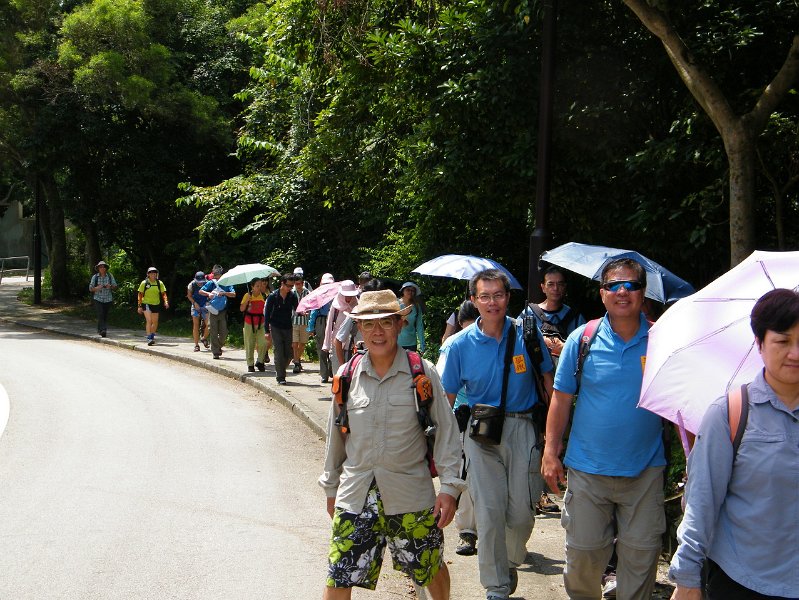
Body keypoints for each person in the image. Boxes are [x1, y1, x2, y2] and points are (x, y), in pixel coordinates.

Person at [318, 290, 464, 599]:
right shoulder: (346, 376)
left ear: (400, 324)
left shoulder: (421, 372)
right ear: (359, 327)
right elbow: (336, 437)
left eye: (386, 322)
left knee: (430, 567)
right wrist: (331, 487)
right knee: (338, 574)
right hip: (356, 494)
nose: (377, 332)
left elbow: (447, 433)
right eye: (369, 324)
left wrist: (449, 489)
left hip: (411, 494)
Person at [542, 258, 665, 600]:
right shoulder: (583, 340)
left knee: (640, 560)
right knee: (582, 557)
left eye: (631, 285)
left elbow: (680, 403)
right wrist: (551, 452)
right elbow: (561, 399)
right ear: (602, 293)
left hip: (645, 471)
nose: (622, 291)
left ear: (643, 292)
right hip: (587, 470)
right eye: (614, 285)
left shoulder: (661, 340)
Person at [668, 288, 799, 600]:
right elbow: (701, 504)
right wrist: (687, 578)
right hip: (742, 580)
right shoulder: (731, 413)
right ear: (760, 344)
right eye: (783, 341)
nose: (795, 353)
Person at [441, 268, 554, 600]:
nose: (493, 302)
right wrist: (446, 445)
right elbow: (446, 401)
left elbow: (549, 383)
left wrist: (552, 435)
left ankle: (508, 561)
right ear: (473, 300)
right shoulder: (459, 345)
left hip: (523, 428)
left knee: (521, 513)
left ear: (508, 298)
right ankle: (496, 587)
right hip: (481, 433)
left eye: (499, 295)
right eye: (485, 296)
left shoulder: (527, 335)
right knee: (489, 512)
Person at [436, 299, 480, 557]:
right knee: (468, 477)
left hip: (467, 419)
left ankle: (470, 531)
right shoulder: (457, 344)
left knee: (469, 476)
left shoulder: (452, 343)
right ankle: (469, 531)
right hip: (464, 420)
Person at [520, 265, 585, 367]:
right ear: (543, 287)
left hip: (566, 374)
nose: (555, 288)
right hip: (534, 376)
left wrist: (566, 348)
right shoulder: (529, 313)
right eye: (550, 284)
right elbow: (517, 344)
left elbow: (585, 349)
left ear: (565, 287)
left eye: (560, 284)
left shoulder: (576, 318)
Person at [265, 272, 298, 385]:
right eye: (288, 285)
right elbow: (267, 314)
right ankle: (280, 377)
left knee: (289, 353)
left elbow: (297, 309)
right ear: (282, 283)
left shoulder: (292, 296)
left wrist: (302, 312)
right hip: (275, 327)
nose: (289, 288)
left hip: (288, 326)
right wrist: (266, 331)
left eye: (291, 286)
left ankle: (280, 370)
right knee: (278, 351)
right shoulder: (273, 296)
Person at [200, 265, 236, 360]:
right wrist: (209, 294)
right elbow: (201, 291)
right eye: (215, 274)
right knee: (213, 331)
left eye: (218, 274)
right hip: (212, 310)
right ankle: (215, 352)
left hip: (223, 311)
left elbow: (234, 294)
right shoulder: (211, 283)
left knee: (224, 332)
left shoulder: (227, 283)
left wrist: (224, 293)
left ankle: (218, 346)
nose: (216, 276)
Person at [323, 280, 359, 375]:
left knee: (350, 371)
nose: (348, 298)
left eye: (350, 295)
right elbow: (329, 324)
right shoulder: (335, 306)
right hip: (336, 340)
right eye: (346, 295)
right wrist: (326, 344)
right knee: (337, 371)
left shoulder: (357, 305)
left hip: (351, 342)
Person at [308, 273, 335, 384]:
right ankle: (324, 374)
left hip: (334, 320)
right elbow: (313, 312)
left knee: (333, 346)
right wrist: (311, 327)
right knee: (322, 347)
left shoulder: (338, 294)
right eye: (325, 284)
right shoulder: (318, 295)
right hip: (321, 321)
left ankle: (332, 369)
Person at [240, 277, 269, 373]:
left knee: (263, 343)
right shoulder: (247, 295)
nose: (259, 287)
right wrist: (247, 301)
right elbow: (241, 309)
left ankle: (260, 362)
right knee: (250, 344)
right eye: (257, 286)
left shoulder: (264, 295)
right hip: (249, 322)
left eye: (261, 285)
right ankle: (250, 364)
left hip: (261, 321)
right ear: (252, 286)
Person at [137, 267, 169, 346]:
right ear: (148, 274)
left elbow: (163, 293)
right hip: (146, 303)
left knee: (155, 322)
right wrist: (139, 306)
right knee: (149, 320)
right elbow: (140, 294)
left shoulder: (159, 283)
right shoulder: (144, 283)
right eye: (151, 273)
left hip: (156, 304)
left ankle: (151, 336)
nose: (153, 275)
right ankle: (149, 338)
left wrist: (166, 302)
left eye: (155, 273)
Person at [89, 260, 117, 338]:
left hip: (108, 298)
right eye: (100, 267)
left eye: (103, 267)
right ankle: (103, 330)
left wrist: (110, 286)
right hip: (98, 298)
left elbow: (115, 286)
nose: (102, 268)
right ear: (98, 268)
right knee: (100, 313)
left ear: (105, 268)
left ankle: (100, 330)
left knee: (104, 315)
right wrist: (97, 288)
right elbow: (90, 288)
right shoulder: (95, 277)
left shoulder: (110, 276)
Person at [291, 271, 312, 373]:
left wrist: (308, 312)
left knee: (302, 343)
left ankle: (296, 359)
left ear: (303, 283)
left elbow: (311, 305)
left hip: (304, 321)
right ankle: (296, 363)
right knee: (294, 343)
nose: (298, 286)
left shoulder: (307, 292)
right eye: (296, 284)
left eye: (300, 283)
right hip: (294, 321)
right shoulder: (291, 292)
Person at [398, 281, 426, 353]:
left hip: (411, 343)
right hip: (396, 343)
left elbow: (419, 326)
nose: (410, 292)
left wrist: (422, 344)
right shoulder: (395, 304)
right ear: (403, 291)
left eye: (413, 290)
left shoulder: (416, 307)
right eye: (408, 290)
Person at [186, 271, 210, 352]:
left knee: (209, 325)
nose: (200, 283)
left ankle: (204, 338)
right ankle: (196, 345)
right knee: (195, 325)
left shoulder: (208, 283)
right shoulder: (191, 285)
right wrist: (194, 303)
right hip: (195, 304)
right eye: (198, 282)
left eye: (201, 282)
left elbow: (211, 293)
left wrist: (208, 301)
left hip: (205, 304)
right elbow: (189, 296)